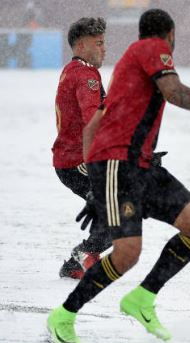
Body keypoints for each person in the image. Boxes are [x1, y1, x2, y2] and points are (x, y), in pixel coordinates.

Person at [47, 8, 190, 343]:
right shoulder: (152, 48)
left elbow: (93, 124)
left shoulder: (126, 69)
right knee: (126, 255)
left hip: (141, 166)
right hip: (119, 168)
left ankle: (142, 298)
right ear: (170, 35)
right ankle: (64, 314)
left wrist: (95, 180)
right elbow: (175, 93)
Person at [52, 17, 112, 280]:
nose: (104, 48)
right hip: (79, 162)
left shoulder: (74, 70)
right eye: (98, 43)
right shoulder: (85, 76)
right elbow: (94, 120)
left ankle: (83, 260)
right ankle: (80, 259)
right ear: (81, 44)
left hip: (72, 160)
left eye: (104, 42)